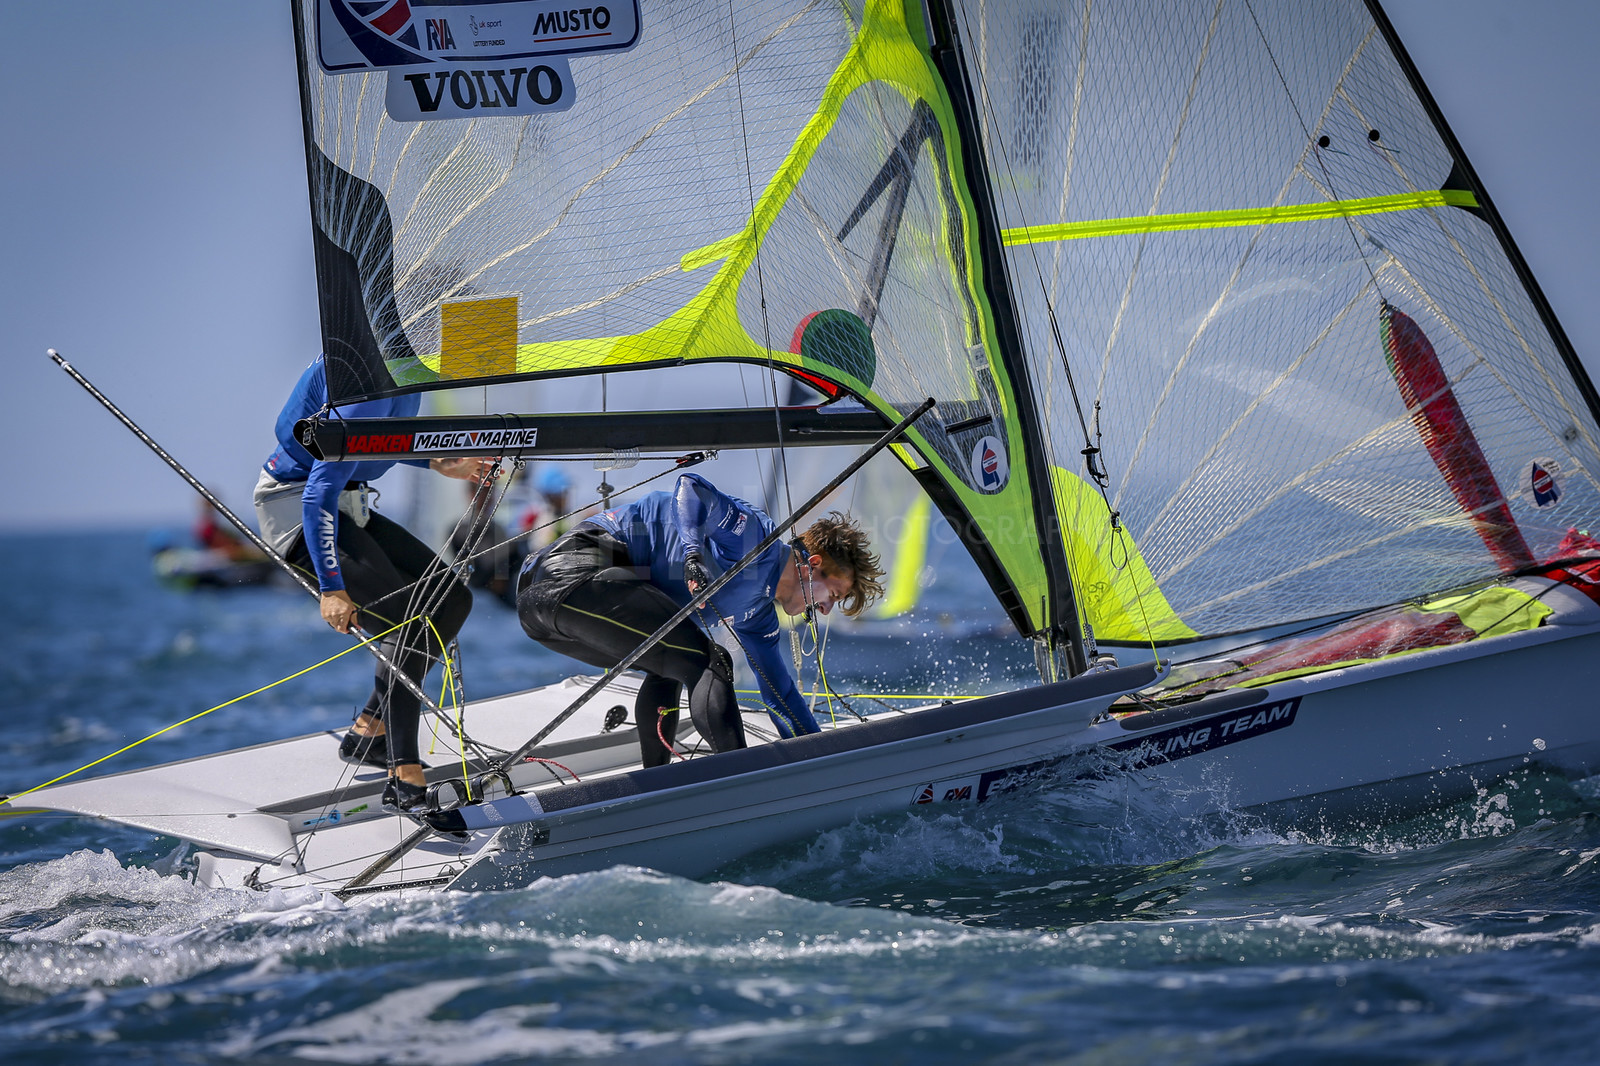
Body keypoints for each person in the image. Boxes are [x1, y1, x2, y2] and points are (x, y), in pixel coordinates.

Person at [253, 356, 492, 813]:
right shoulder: (364, 382)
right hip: (300, 514)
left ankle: (370, 729)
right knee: (408, 621)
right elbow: (316, 493)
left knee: (452, 598)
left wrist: (434, 461)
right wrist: (331, 588)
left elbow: (383, 440)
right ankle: (403, 771)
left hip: (348, 505)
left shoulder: (410, 375)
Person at [515, 471, 884, 767]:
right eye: (832, 595)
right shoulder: (755, 538)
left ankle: (657, 787)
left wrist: (824, 759)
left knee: (670, 662)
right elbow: (690, 485)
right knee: (708, 662)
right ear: (813, 565)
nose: (824, 610)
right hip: (566, 576)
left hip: (548, 617)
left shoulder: (758, 617)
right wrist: (693, 553)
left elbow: (781, 695)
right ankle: (740, 782)